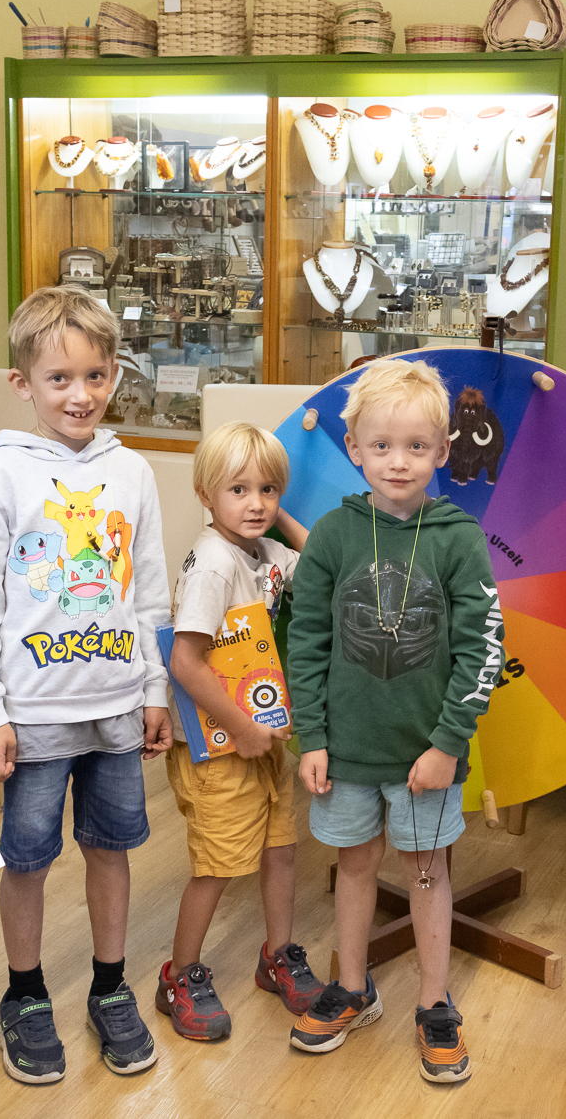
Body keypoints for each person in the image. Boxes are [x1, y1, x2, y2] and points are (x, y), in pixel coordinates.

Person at [0, 285, 173, 1083]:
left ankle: (111, 985)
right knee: (29, 857)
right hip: (31, 714)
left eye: (96, 375)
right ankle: (26, 994)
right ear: (23, 384)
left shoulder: (133, 471)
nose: (80, 395)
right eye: (59, 378)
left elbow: (147, 591)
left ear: (115, 375)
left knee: (112, 850)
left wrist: (155, 690)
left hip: (115, 707)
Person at [287, 359, 502, 1084]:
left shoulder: (459, 538)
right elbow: (306, 641)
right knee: (353, 864)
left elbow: (483, 649)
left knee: (426, 872)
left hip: (424, 758)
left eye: (416, 446)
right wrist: (311, 737)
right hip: (345, 751)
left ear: (443, 451)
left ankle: (435, 1004)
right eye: (382, 446)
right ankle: (352, 985)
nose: (399, 461)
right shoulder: (331, 537)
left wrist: (447, 744)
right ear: (354, 448)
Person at [156, 421, 327, 1040]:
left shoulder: (265, 553)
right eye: (238, 490)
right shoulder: (212, 565)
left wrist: (281, 520)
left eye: (268, 491)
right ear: (206, 495)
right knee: (220, 862)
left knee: (280, 849)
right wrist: (245, 728)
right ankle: (181, 972)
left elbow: (324, 563)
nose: (255, 504)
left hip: (259, 736)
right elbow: (185, 662)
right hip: (218, 742)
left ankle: (276, 955)